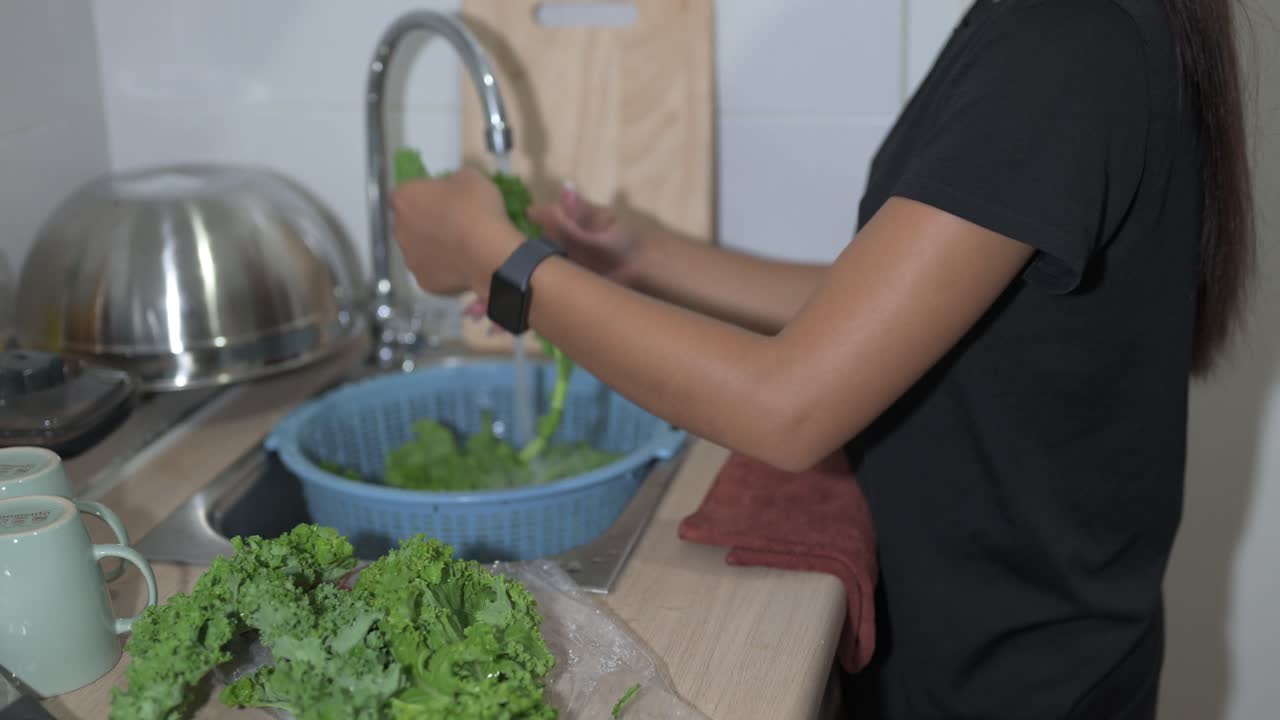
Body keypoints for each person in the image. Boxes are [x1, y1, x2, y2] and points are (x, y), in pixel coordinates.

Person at [390, 0, 1254, 717]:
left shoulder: (1065, 37)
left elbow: (787, 408)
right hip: (1007, 651)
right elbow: (892, 309)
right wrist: (634, 259)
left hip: (1005, 681)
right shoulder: (1061, 26)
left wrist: (496, 260)